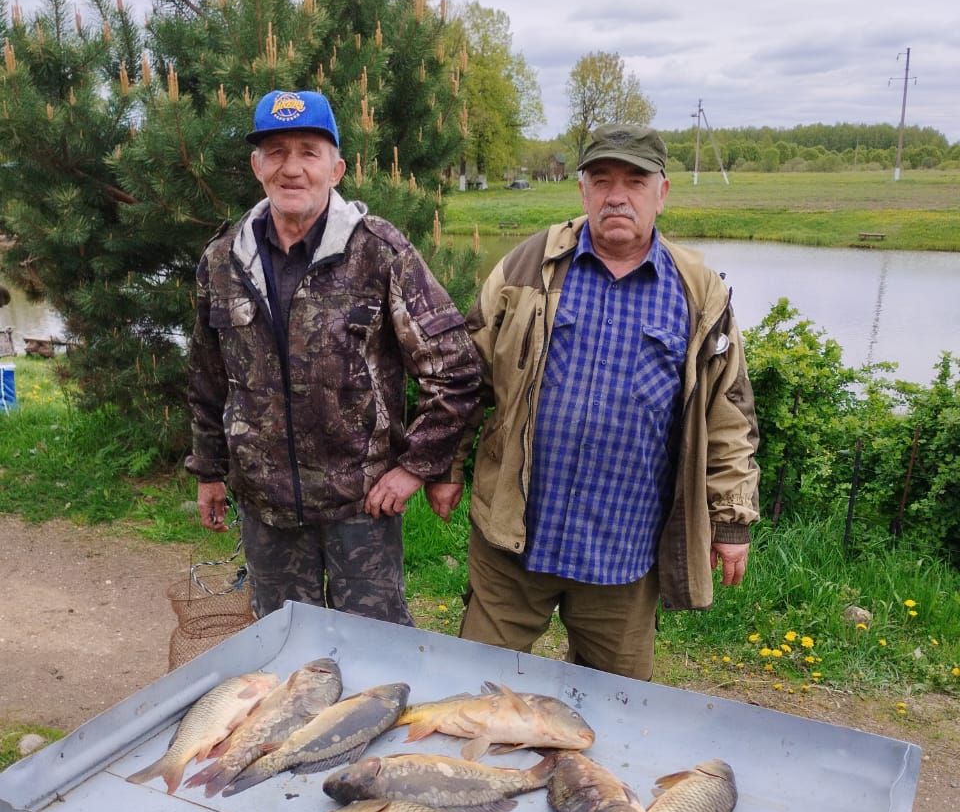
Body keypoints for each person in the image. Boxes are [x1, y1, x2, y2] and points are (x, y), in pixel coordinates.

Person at [428, 122, 759, 680]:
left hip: (623, 552)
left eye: (635, 181)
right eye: (602, 180)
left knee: (616, 710)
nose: (616, 196)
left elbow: (728, 414)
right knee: (477, 692)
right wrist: (445, 466)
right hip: (514, 539)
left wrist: (731, 520)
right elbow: (467, 374)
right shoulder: (525, 267)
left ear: (661, 192)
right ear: (583, 190)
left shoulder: (699, 292)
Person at [186, 88, 483, 623]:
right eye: (276, 152)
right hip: (267, 510)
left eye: (309, 152)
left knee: (375, 654)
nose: (291, 168)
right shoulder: (222, 260)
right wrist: (209, 472)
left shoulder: (380, 253)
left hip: (361, 508)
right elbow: (208, 378)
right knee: (284, 651)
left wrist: (414, 467)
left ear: (336, 168)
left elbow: (456, 369)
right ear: (257, 167)